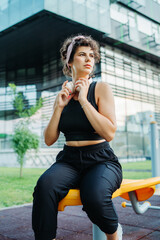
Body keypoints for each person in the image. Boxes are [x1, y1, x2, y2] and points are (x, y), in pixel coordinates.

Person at [32, 34, 123, 240]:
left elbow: (109, 132)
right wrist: (59, 107)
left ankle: (114, 233)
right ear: (70, 61)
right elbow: (49, 139)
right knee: (44, 187)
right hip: (70, 160)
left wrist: (83, 100)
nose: (89, 59)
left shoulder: (101, 89)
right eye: (82, 55)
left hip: (101, 160)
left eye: (92, 55)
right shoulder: (62, 94)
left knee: (94, 196)